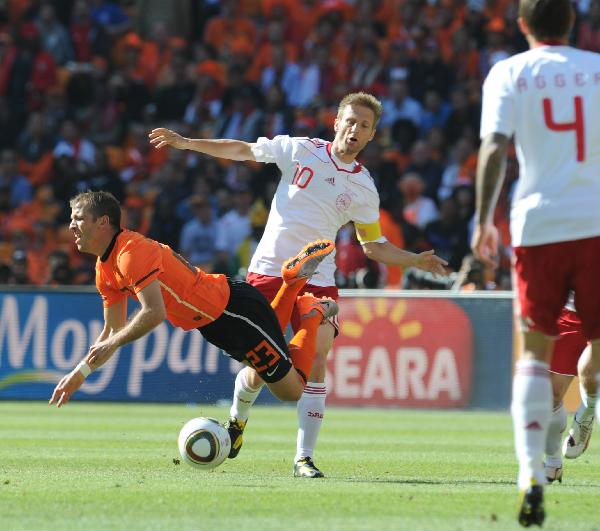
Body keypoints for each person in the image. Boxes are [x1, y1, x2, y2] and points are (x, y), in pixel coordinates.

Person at [149, 91, 448, 478]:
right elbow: (243, 150)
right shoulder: (300, 149)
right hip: (270, 273)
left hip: (317, 279)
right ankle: (237, 424)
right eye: (351, 121)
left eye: (365, 126)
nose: (356, 130)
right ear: (336, 122)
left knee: (318, 358)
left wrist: (415, 259)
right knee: (264, 367)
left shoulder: (364, 189)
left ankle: (303, 457)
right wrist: (188, 143)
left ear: (373, 136)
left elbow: (372, 246)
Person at [471, 0, 600, 526]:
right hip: (595, 221)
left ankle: (530, 473)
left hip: (537, 224)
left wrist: (483, 221)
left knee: (535, 353)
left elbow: (494, 148)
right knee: (592, 350)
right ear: (574, 23)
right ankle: (583, 412)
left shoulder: (507, 73)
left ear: (521, 24)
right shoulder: (596, 70)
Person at [49, 190, 339, 408]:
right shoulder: (105, 269)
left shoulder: (129, 253)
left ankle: (310, 311)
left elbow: (154, 312)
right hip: (215, 323)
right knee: (271, 339)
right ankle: (291, 283)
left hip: (230, 310)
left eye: (78, 219)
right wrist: (81, 372)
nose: (71, 226)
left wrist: (112, 343)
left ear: (102, 222)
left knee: (292, 391)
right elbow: (111, 331)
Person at [544, 295, 596, 484]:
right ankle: (553, 463)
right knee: (552, 395)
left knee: (591, 376)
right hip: (568, 313)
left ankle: (587, 412)